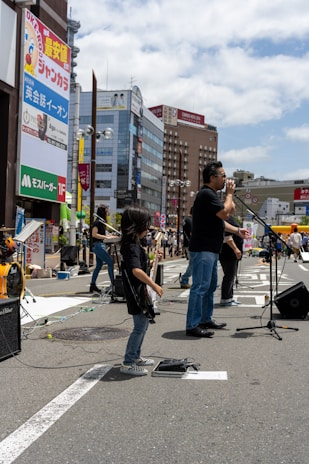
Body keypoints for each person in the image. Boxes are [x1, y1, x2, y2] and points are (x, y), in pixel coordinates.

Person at [186, 161, 250, 338]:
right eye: (223, 176)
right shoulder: (206, 194)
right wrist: (229, 194)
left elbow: (221, 221)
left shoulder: (210, 195)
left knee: (210, 286)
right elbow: (224, 213)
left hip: (211, 249)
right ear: (212, 177)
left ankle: (205, 319)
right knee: (200, 287)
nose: (226, 179)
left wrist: (237, 230)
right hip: (203, 249)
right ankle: (192, 324)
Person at [120, 206, 163, 376]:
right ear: (136, 226)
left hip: (139, 292)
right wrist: (154, 285)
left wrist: (153, 259)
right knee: (139, 327)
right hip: (136, 293)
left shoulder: (134, 244)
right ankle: (128, 362)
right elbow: (136, 271)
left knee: (143, 326)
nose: (148, 228)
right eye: (146, 224)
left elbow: (141, 267)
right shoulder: (131, 246)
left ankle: (136, 356)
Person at [89, 205, 119, 293]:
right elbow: (94, 234)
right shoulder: (97, 223)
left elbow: (105, 234)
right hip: (98, 245)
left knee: (99, 265)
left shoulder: (102, 223)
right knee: (110, 262)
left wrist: (112, 236)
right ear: (102, 212)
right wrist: (106, 237)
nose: (107, 213)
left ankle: (92, 285)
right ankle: (113, 284)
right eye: (106, 211)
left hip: (100, 245)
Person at [219, 207, 243, 306]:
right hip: (228, 252)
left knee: (231, 275)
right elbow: (227, 237)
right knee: (229, 275)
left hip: (231, 253)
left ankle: (229, 297)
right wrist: (235, 249)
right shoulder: (226, 219)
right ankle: (225, 298)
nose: (234, 206)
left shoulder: (230, 218)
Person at [180, 209, 192, 289]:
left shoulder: (186, 219)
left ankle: (185, 280)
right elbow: (192, 233)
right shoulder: (190, 220)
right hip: (191, 245)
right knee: (193, 264)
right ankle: (184, 280)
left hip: (188, 244)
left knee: (193, 263)